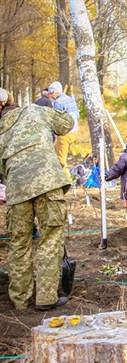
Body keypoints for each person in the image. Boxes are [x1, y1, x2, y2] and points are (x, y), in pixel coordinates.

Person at [0, 105, 74, 311]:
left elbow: (1, 166)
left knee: (19, 244)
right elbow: (67, 123)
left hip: (17, 188)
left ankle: (20, 301)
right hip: (47, 183)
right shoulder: (34, 110)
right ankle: (46, 297)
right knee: (50, 239)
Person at [48, 81, 80, 169]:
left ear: (56, 92)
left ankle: (67, 181)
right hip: (75, 132)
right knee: (55, 152)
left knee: (60, 162)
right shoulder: (70, 99)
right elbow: (78, 115)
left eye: (51, 93)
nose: (50, 96)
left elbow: (56, 121)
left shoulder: (58, 103)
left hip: (64, 135)